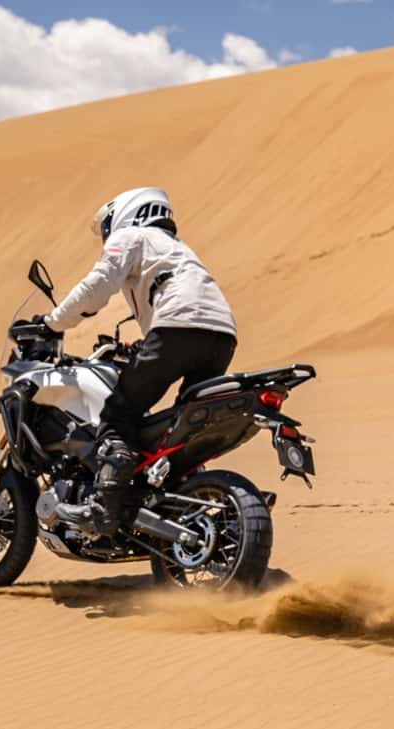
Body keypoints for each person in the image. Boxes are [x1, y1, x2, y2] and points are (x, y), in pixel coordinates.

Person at [39, 187, 238, 536]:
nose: (106, 236)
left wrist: (52, 323)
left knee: (119, 414)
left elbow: (98, 285)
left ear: (128, 213)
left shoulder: (132, 236)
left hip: (177, 327)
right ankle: (181, 499)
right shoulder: (177, 248)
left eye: (106, 227)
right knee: (181, 428)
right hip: (222, 335)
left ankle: (104, 509)